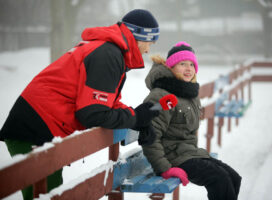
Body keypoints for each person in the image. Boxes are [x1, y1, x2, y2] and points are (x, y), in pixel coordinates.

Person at [0, 9, 160, 200]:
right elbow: (94, 114)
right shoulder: (108, 54)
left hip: (43, 127)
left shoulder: (109, 50)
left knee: (49, 193)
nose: (148, 50)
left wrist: (135, 117)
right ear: (138, 37)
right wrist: (134, 118)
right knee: (45, 195)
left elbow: (105, 103)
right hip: (34, 129)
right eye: (149, 43)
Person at [141, 41, 242, 200]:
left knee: (234, 178)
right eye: (182, 64)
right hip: (170, 157)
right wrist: (165, 169)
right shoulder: (161, 95)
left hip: (187, 153)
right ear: (171, 67)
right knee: (219, 179)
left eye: (191, 65)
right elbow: (150, 135)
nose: (188, 69)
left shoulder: (188, 93)